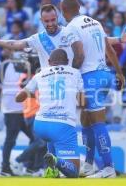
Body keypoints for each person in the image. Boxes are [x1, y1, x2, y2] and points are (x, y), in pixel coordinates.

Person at [60, 0, 126, 178]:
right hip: (105, 74)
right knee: (86, 120)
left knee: (98, 123)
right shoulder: (95, 23)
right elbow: (110, 50)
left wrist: (69, 76)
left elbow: (79, 55)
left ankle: (108, 168)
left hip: (90, 77)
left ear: (63, 11)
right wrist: (120, 73)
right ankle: (89, 165)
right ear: (79, 7)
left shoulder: (71, 28)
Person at [0, 4, 126, 69]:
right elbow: (16, 44)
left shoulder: (70, 31)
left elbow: (98, 39)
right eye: (47, 21)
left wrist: (119, 39)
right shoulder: (38, 38)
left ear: (57, 17)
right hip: (48, 84)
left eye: (53, 19)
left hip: (70, 82)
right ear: (41, 21)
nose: (50, 23)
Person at [16, 49, 84, 178]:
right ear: (68, 62)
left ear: (48, 62)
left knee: (51, 140)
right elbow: (83, 102)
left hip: (41, 124)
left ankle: (51, 170)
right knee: (74, 171)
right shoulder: (75, 73)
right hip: (62, 124)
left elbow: (18, 98)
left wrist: (36, 95)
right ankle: (56, 162)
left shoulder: (40, 74)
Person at [0, 52, 35, 176]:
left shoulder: (29, 67)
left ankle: (30, 166)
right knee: (12, 140)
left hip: (27, 109)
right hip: (12, 109)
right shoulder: (5, 66)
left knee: (35, 139)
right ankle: (6, 168)